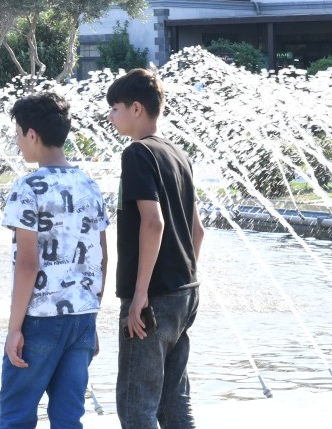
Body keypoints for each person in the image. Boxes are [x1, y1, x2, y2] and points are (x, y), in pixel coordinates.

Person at [0, 91, 110, 429]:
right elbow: (103, 256)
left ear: (32, 134)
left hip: (40, 319)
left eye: (18, 134)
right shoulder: (90, 185)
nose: (17, 142)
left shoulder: (27, 188)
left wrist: (14, 329)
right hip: (82, 317)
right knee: (68, 418)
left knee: (16, 416)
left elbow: (28, 264)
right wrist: (91, 314)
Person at [107, 68, 205, 429]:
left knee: (136, 407)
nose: (110, 116)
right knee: (174, 405)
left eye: (115, 108)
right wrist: (183, 278)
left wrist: (140, 294)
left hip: (154, 299)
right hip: (184, 292)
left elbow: (153, 222)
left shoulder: (137, 154)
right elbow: (198, 231)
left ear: (136, 109)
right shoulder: (178, 154)